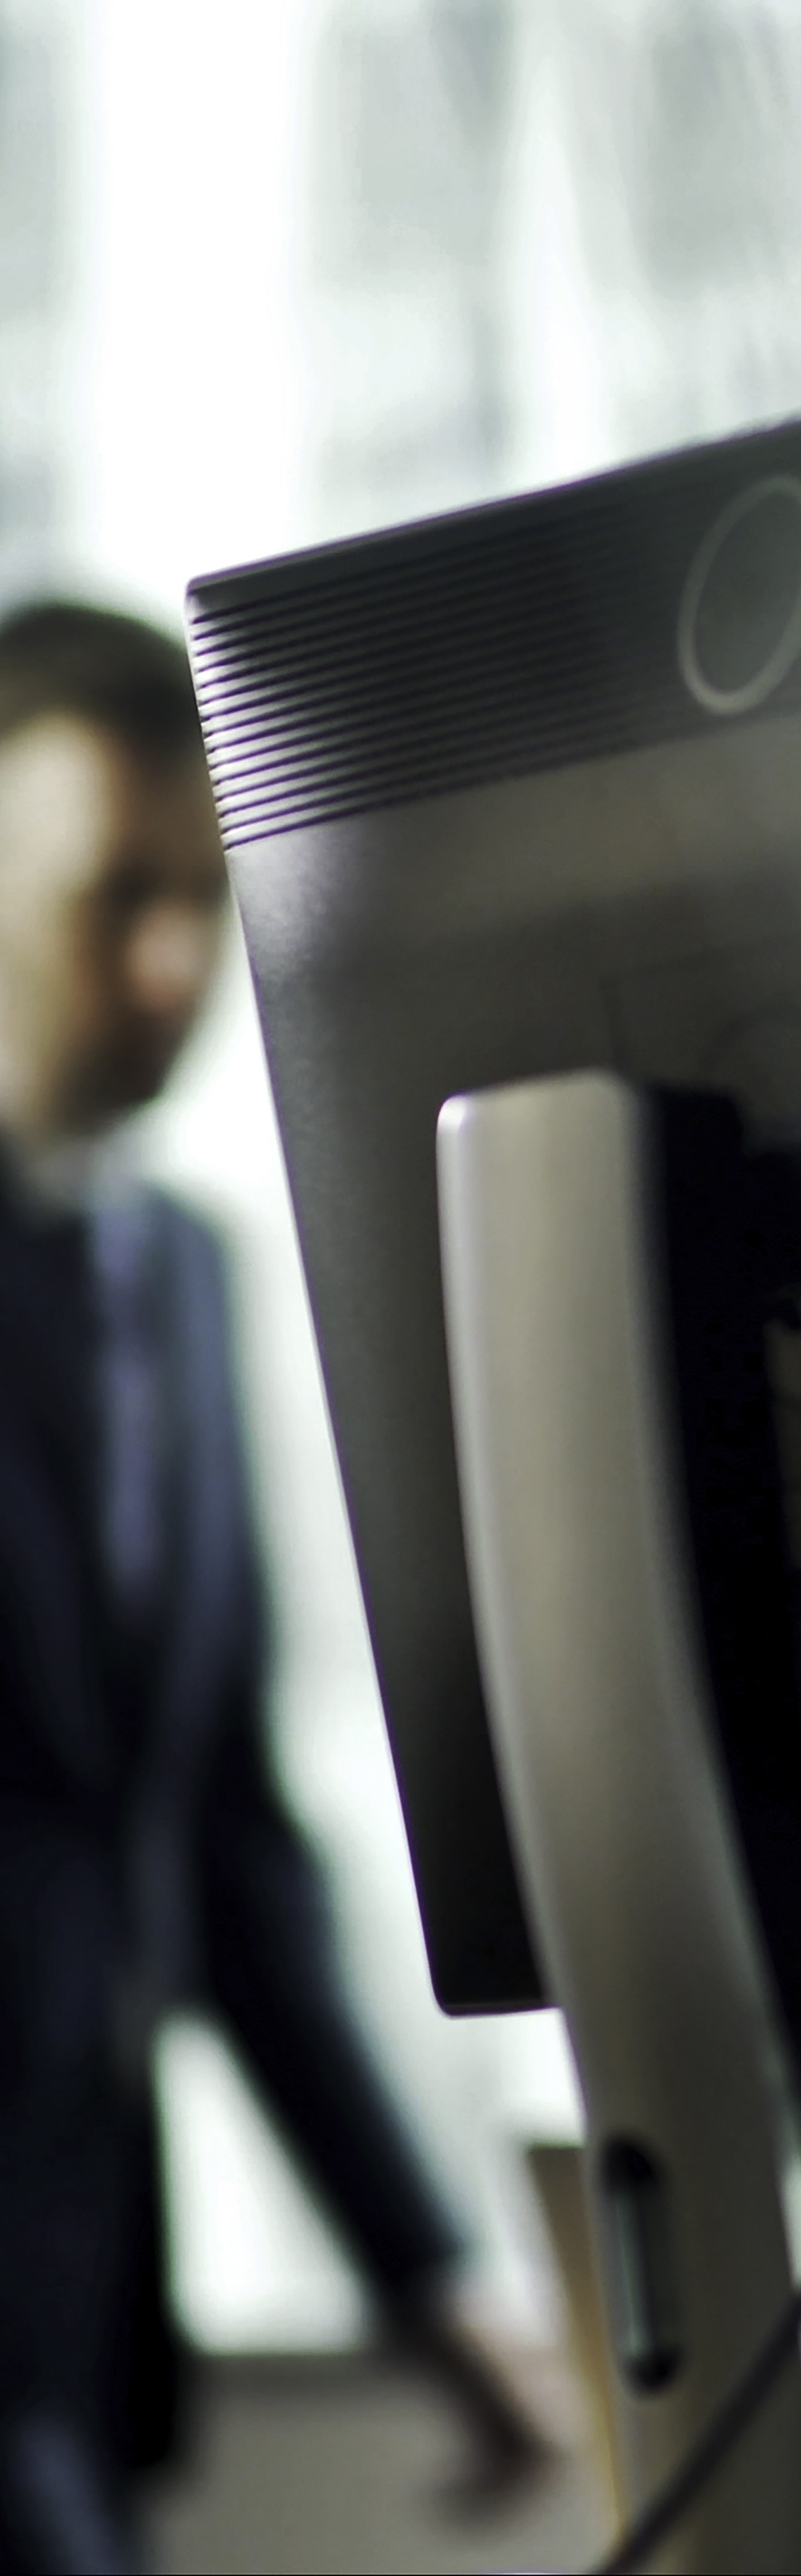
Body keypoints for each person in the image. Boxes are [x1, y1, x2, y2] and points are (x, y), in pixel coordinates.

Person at [0, 602, 554, 2572]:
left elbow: (224, 1843)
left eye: (211, 903)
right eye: (112, 896)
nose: (168, 966)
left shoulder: (186, 1275)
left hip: (72, 2324)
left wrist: (427, 2281)